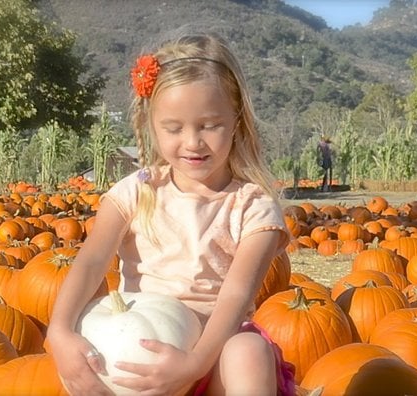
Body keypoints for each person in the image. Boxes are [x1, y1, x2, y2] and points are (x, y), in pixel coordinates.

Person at [47, 32, 293, 395]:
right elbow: (91, 261)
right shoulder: (136, 192)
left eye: (210, 125)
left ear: (236, 121)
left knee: (249, 351)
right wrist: (59, 331)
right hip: (139, 360)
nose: (193, 142)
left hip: (213, 357)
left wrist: (196, 363)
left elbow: (236, 294)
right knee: (84, 361)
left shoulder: (252, 207)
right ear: (152, 124)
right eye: (174, 128)